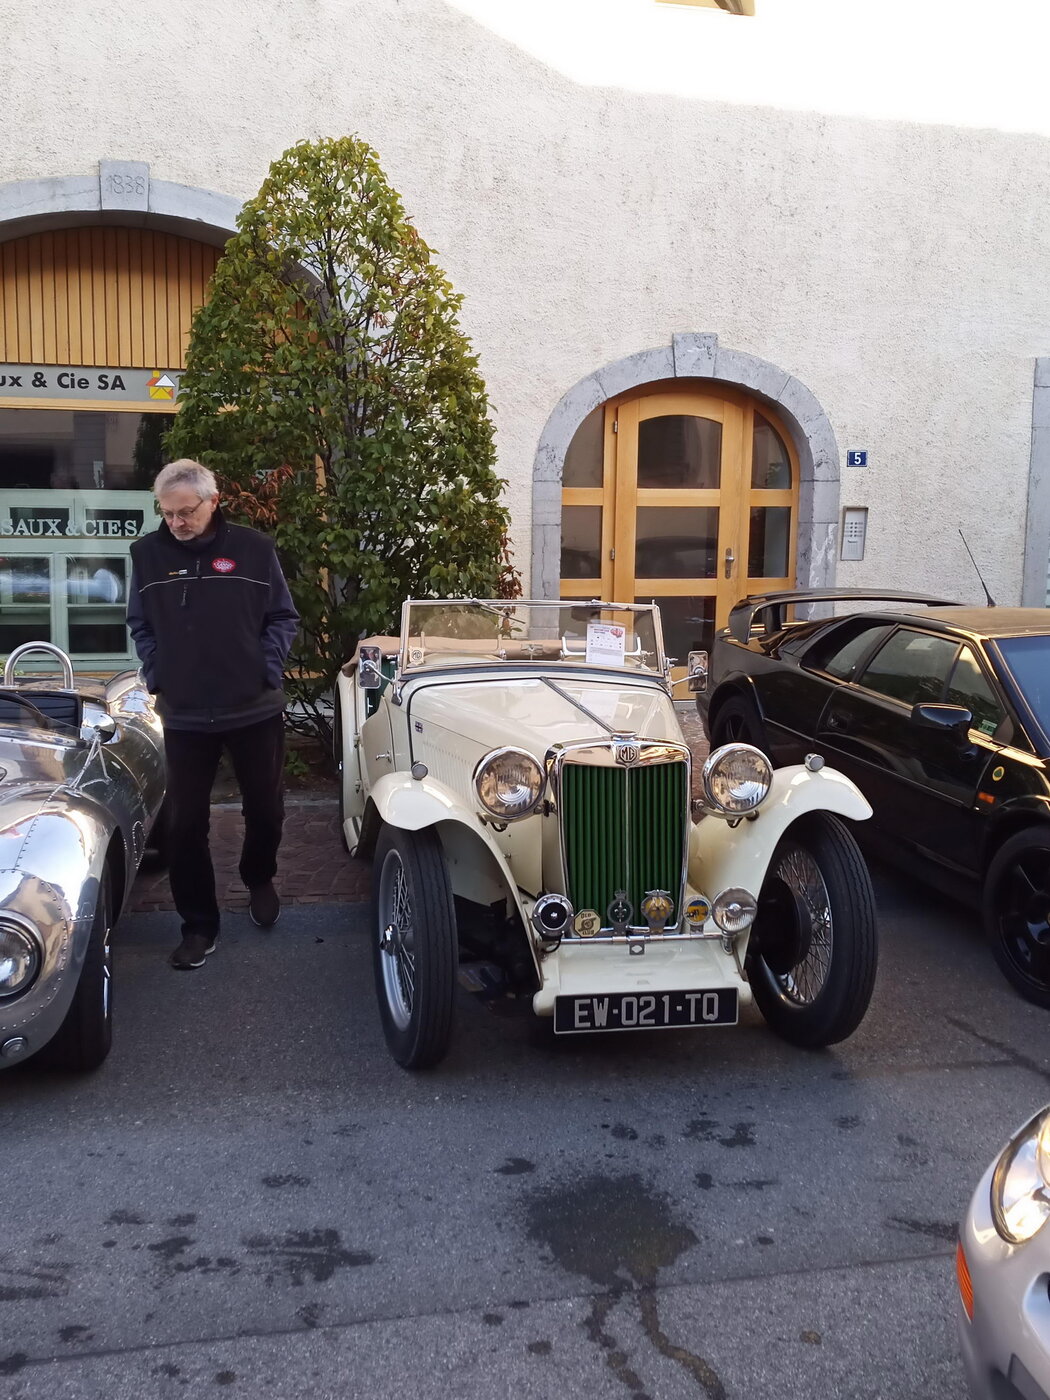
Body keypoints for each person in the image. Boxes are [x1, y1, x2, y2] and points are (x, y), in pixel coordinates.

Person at [127, 459, 300, 970]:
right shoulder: (148, 554)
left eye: (186, 512)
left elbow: (282, 616)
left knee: (265, 810)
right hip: (183, 713)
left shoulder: (254, 549)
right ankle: (199, 925)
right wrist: (158, 672)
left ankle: (258, 875)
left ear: (213, 501)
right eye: (168, 513)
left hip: (254, 708)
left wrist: (266, 669)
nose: (177, 522)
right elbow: (140, 623)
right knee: (184, 825)